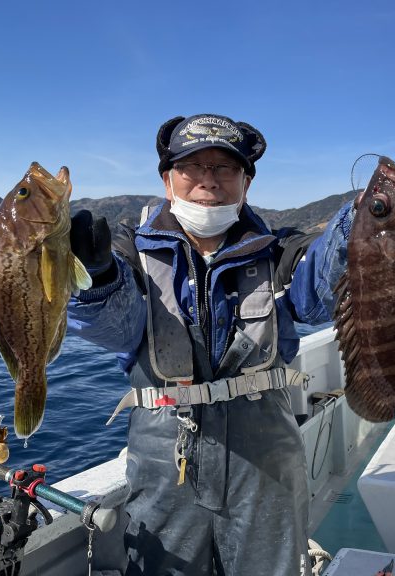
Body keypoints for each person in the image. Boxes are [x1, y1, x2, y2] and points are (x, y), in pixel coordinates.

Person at [67, 113, 354, 575]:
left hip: (267, 458)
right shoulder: (131, 253)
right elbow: (115, 329)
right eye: (191, 168)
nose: (208, 181)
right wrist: (97, 275)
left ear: (245, 183)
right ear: (167, 181)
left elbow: (320, 289)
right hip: (162, 457)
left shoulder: (279, 251)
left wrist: (359, 225)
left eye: (224, 169)